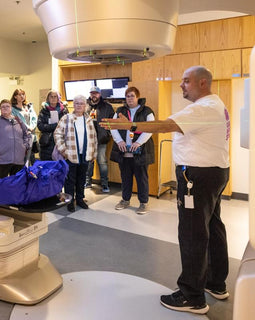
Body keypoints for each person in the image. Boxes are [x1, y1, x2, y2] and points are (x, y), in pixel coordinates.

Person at [100, 66, 230, 315]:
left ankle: (192, 296)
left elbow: (164, 126)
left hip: (197, 177)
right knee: (213, 227)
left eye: (186, 81)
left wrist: (130, 125)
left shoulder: (203, 108)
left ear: (203, 83)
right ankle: (216, 283)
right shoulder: (215, 104)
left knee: (193, 233)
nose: (182, 85)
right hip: (214, 172)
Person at [110, 87, 155, 215]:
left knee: (142, 178)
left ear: (137, 97)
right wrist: (119, 141)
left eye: (132, 96)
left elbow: (150, 128)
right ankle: (125, 200)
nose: (129, 98)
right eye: (127, 96)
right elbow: (113, 126)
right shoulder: (120, 110)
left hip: (140, 151)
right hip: (124, 152)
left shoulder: (147, 111)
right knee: (125, 178)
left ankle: (143, 203)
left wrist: (138, 142)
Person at [54, 94, 97, 212]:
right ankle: (69, 201)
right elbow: (57, 134)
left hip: (85, 155)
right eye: (77, 103)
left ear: (85, 106)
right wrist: (63, 151)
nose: (79, 105)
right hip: (70, 155)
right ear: (74, 105)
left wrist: (93, 153)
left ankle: (80, 199)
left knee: (82, 178)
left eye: (81, 103)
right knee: (70, 180)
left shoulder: (88, 119)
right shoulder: (66, 118)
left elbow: (94, 137)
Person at [0, 99, 31, 178]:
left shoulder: (18, 121)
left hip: (18, 159)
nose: (5, 108)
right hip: (2, 159)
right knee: (2, 184)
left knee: (16, 184)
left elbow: (26, 134)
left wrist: (25, 146)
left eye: (7, 106)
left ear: (11, 108)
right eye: (3, 107)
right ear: (0, 109)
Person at [85, 86, 114, 193]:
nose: (94, 95)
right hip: (88, 139)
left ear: (99, 94)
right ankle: (87, 182)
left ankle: (105, 184)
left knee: (102, 161)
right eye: (92, 93)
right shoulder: (85, 106)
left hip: (102, 139)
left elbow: (112, 122)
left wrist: (108, 134)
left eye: (96, 93)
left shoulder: (107, 107)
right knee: (88, 161)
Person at [37, 90, 68, 160]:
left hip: (61, 142)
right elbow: (40, 125)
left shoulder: (64, 110)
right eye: (51, 97)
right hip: (47, 143)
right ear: (48, 98)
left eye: (55, 97)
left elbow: (68, 125)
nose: (53, 98)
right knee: (47, 167)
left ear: (58, 98)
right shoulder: (43, 111)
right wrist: (54, 126)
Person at [10, 88, 38, 165]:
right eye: (19, 94)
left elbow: (34, 118)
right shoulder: (12, 109)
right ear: (15, 96)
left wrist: (31, 127)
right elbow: (16, 121)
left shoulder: (28, 107)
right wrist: (26, 128)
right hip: (21, 137)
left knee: (32, 159)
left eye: (23, 94)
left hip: (31, 136)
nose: (22, 96)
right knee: (23, 161)